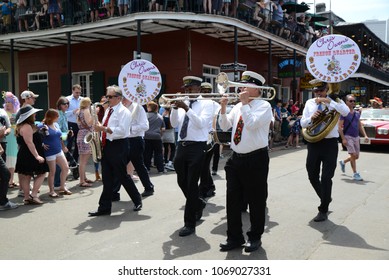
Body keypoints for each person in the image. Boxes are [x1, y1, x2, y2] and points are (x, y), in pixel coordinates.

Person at [218, 70, 272, 253]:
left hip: (256, 158)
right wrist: (224, 109)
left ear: (257, 89)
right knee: (232, 200)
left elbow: (252, 124)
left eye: (245, 85)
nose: (240, 87)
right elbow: (224, 126)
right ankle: (234, 237)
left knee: (256, 200)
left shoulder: (264, 106)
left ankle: (255, 237)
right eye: (240, 84)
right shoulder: (238, 106)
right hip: (236, 158)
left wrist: (244, 104)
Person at [170, 76, 214, 237]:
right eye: (186, 89)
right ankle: (198, 203)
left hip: (197, 146)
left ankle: (189, 223)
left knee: (191, 183)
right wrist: (175, 109)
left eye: (190, 89)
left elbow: (201, 123)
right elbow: (174, 124)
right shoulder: (184, 102)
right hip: (182, 146)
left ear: (198, 89)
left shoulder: (207, 104)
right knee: (181, 181)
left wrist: (187, 109)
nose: (187, 92)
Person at [88, 85, 142, 216]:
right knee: (106, 178)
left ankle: (137, 200)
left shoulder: (124, 112)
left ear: (118, 98)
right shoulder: (109, 110)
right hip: (108, 145)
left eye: (110, 97)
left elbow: (122, 131)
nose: (107, 99)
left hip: (119, 145)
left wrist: (104, 129)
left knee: (122, 176)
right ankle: (104, 208)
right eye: (107, 96)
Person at [300, 80, 349, 222]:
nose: (318, 94)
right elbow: (303, 123)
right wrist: (311, 118)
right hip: (314, 142)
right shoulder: (310, 103)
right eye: (316, 91)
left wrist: (329, 102)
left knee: (327, 177)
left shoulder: (336, 101)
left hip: (330, 144)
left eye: (321, 90)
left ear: (327, 89)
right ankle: (326, 197)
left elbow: (345, 112)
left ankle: (323, 209)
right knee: (311, 174)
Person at [112, 97, 155, 201]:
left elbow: (145, 125)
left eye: (125, 98)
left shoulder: (138, 108)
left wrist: (131, 128)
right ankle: (114, 192)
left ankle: (148, 187)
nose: (122, 100)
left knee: (138, 165)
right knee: (120, 165)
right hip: (124, 140)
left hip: (136, 140)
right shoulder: (121, 109)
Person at [15, 105, 49, 205]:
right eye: (33, 114)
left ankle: (27, 198)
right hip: (29, 154)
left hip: (27, 154)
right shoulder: (26, 126)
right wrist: (37, 156)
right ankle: (33, 195)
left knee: (27, 176)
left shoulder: (26, 125)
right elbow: (29, 142)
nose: (35, 115)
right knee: (41, 173)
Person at [39, 109, 71, 197]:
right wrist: (42, 144)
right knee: (52, 172)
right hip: (50, 152)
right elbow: (36, 136)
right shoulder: (43, 125)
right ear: (51, 117)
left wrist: (63, 146)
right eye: (57, 116)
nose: (58, 117)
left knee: (65, 168)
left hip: (58, 150)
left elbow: (60, 137)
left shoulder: (56, 124)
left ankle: (62, 187)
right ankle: (51, 190)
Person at [339, 94, 369, 181]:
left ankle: (343, 162)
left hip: (356, 137)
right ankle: (355, 173)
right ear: (346, 102)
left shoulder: (357, 113)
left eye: (354, 101)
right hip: (348, 136)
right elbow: (339, 127)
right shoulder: (344, 114)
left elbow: (359, 125)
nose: (353, 102)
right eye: (350, 101)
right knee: (353, 155)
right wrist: (343, 138)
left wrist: (365, 135)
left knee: (356, 156)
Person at [199, 82, 220, 198]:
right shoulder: (196, 103)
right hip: (198, 138)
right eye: (203, 91)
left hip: (210, 137)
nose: (206, 94)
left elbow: (218, 120)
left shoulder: (214, 105)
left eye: (208, 92)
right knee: (203, 165)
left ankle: (205, 188)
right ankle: (210, 186)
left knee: (204, 164)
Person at [144, 101, 165, 174]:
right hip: (157, 136)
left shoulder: (145, 116)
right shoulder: (160, 116)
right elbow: (163, 129)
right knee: (158, 153)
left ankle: (147, 168)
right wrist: (160, 135)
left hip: (146, 136)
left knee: (147, 153)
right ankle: (160, 169)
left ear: (149, 108)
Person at [66, 84, 82, 180]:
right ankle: (68, 162)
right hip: (71, 123)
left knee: (78, 145)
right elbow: (64, 112)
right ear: (72, 91)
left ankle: (75, 163)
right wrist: (73, 112)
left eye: (79, 92)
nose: (78, 94)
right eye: (76, 92)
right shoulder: (67, 99)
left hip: (79, 124)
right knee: (69, 144)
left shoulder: (82, 99)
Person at [3, 92, 20, 188]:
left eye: (10, 103)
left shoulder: (17, 113)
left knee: (13, 159)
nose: (8, 105)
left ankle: (11, 180)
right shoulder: (3, 113)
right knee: (6, 158)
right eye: (6, 103)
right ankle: (6, 180)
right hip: (6, 137)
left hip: (14, 138)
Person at [76, 97, 94, 187]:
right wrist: (94, 115)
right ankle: (82, 181)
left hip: (81, 134)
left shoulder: (79, 111)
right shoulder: (86, 110)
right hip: (86, 135)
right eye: (90, 103)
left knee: (82, 160)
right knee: (83, 160)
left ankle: (84, 178)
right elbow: (89, 123)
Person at [161, 106, 175, 171]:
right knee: (173, 149)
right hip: (171, 134)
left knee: (166, 148)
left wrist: (162, 115)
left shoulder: (163, 117)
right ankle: (170, 162)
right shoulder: (171, 117)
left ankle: (166, 161)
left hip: (164, 134)